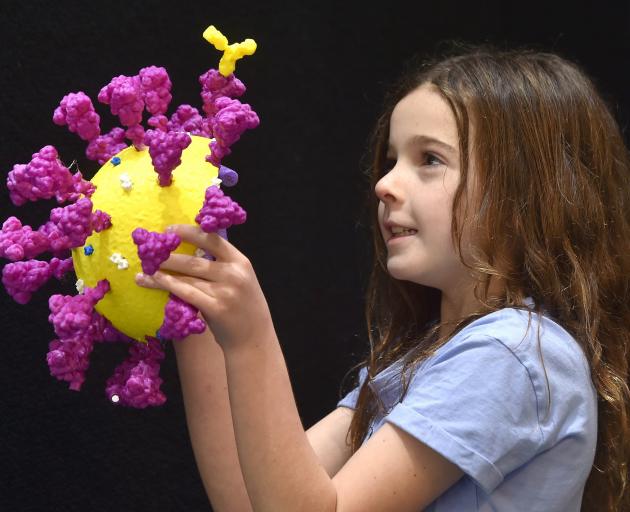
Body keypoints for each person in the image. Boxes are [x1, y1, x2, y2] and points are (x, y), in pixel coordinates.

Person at [134, 43, 630, 511]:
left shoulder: (510, 354)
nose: (384, 184)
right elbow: (249, 499)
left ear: (528, 191)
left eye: (429, 159)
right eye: (392, 160)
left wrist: (249, 337)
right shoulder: (425, 362)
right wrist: (192, 314)